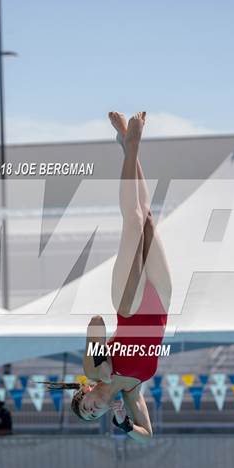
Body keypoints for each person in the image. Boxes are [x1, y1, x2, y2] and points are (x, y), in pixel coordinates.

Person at [47, 112, 172, 443]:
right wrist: (128, 427)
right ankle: (125, 144)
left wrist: (97, 356)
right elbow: (149, 435)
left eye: (86, 407)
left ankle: (132, 144)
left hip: (129, 305)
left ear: (86, 391)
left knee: (132, 220)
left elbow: (97, 321)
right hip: (160, 304)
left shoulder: (94, 371)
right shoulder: (132, 391)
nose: (93, 410)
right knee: (146, 217)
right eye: (94, 415)